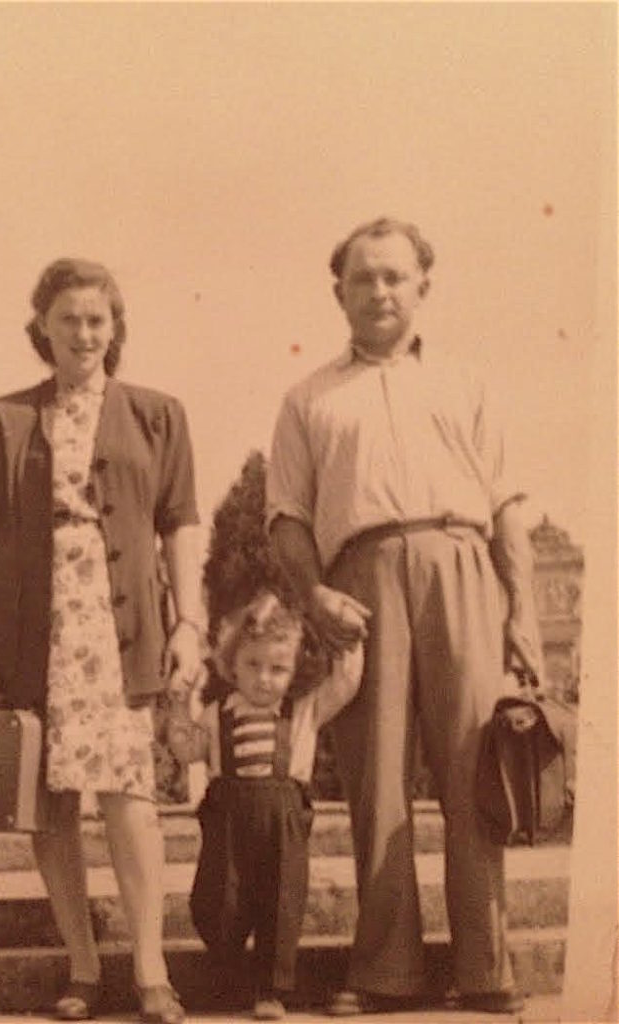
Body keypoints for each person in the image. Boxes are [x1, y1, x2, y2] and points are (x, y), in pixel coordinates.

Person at [266, 218, 543, 1016]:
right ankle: (387, 970)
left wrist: (520, 611)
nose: (380, 291)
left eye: (394, 276)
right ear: (339, 293)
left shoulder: (468, 382)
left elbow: (506, 507)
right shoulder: (307, 397)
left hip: (462, 566)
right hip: (360, 583)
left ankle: (486, 968)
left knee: (475, 774)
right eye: (364, 279)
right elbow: (286, 516)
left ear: (423, 284)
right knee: (377, 783)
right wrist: (315, 595)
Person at [0, 258, 203, 1024]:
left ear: (115, 328)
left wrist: (189, 622)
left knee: (130, 796)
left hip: (120, 622)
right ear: (43, 327)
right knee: (51, 802)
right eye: (69, 319)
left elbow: (181, 525)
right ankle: (84, 965)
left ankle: (152, 971)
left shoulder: (158, 414)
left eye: (98, 319)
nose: (85, 333)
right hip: (34, 625)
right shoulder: (4, 418)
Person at [167, 591, 364, 1021]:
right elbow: (185, 749)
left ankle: (270, 989)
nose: (263, 678)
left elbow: (346, 682)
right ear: (232, 663)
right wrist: (180, 704)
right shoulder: (216, 714)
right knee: (217, 901)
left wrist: (346, 631)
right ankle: (229, 974)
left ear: (294, 670)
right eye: (253, 665)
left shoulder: (302, 712)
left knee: (282, 902)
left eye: (278, 668)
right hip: (228, 825)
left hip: (283, 821)